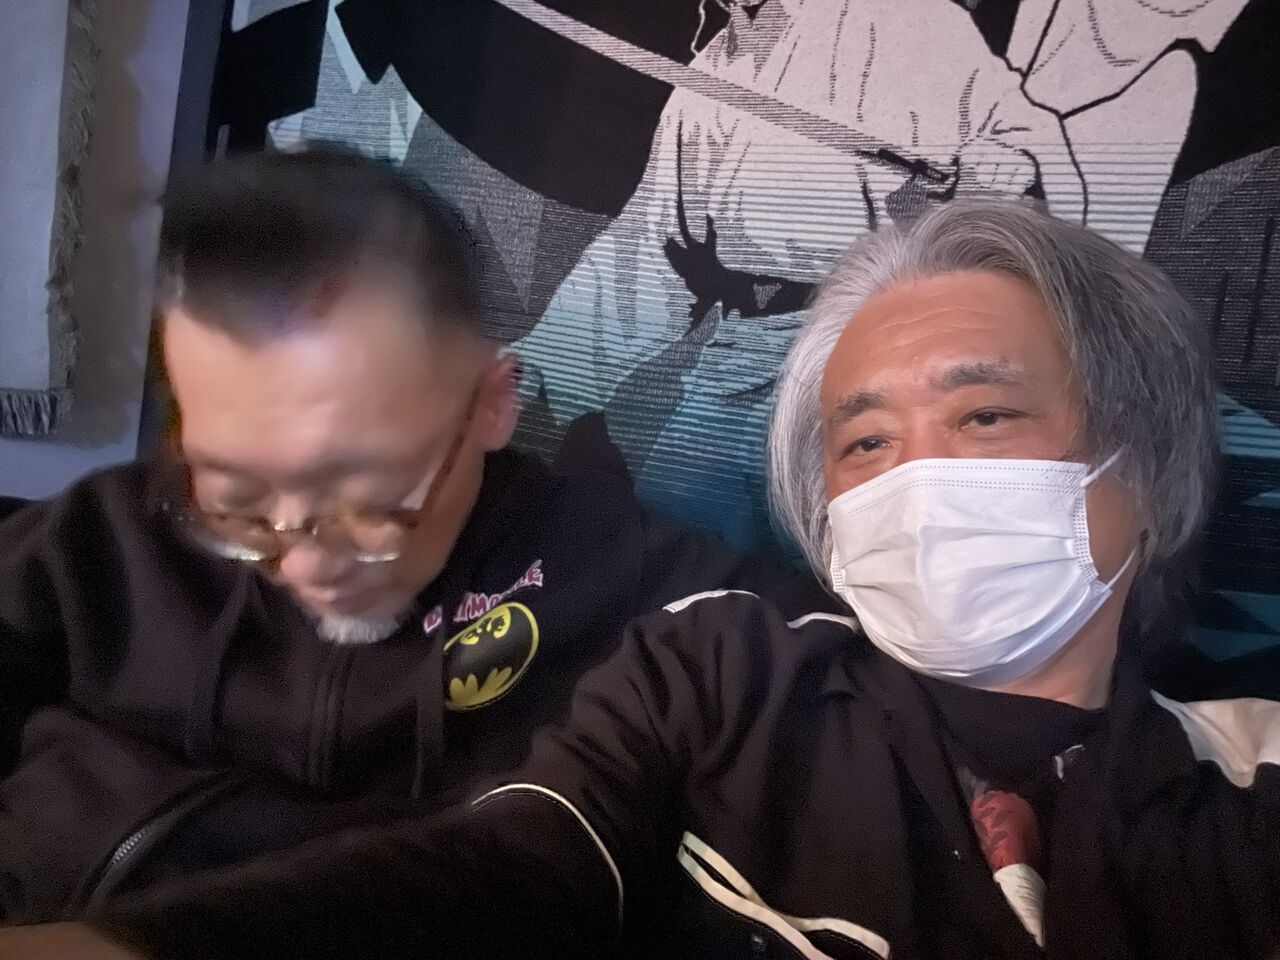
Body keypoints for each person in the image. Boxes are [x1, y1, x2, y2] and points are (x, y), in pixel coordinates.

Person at [6, 200, 1279, 960]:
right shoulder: (721, 671)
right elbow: (515, 868)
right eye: (862, 443)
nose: (915, 480)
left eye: (983, 416)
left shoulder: (671, 598)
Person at [0, 145, 830, 927]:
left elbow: (828, 674)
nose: (306, 561)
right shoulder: (100, 542)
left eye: (370, 499)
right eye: (236, 501)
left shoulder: (624, 580)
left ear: (492, 404)